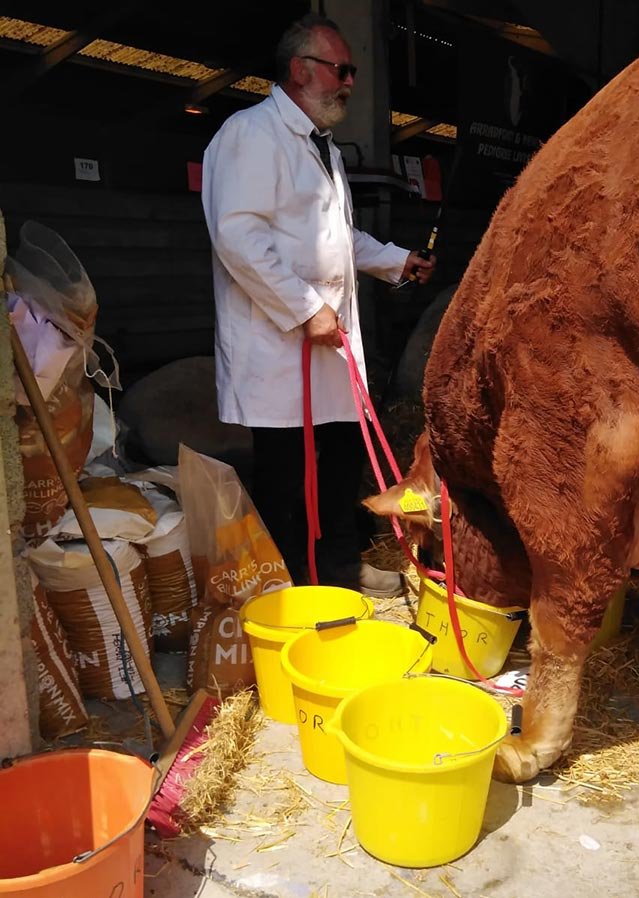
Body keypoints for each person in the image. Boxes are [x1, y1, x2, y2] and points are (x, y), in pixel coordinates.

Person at [201, 14, 435, 597]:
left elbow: (335, 238)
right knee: (286, 475)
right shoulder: (251, 134)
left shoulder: (319, 146)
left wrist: (395, 260)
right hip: (279, 351)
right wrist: (305, 309)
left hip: (328, 347)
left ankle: (338, 570)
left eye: (352, 71)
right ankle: (290, 585)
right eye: (342, 69)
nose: (350, 82)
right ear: (302, 69)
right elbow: (237, 235)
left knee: (336, 466)